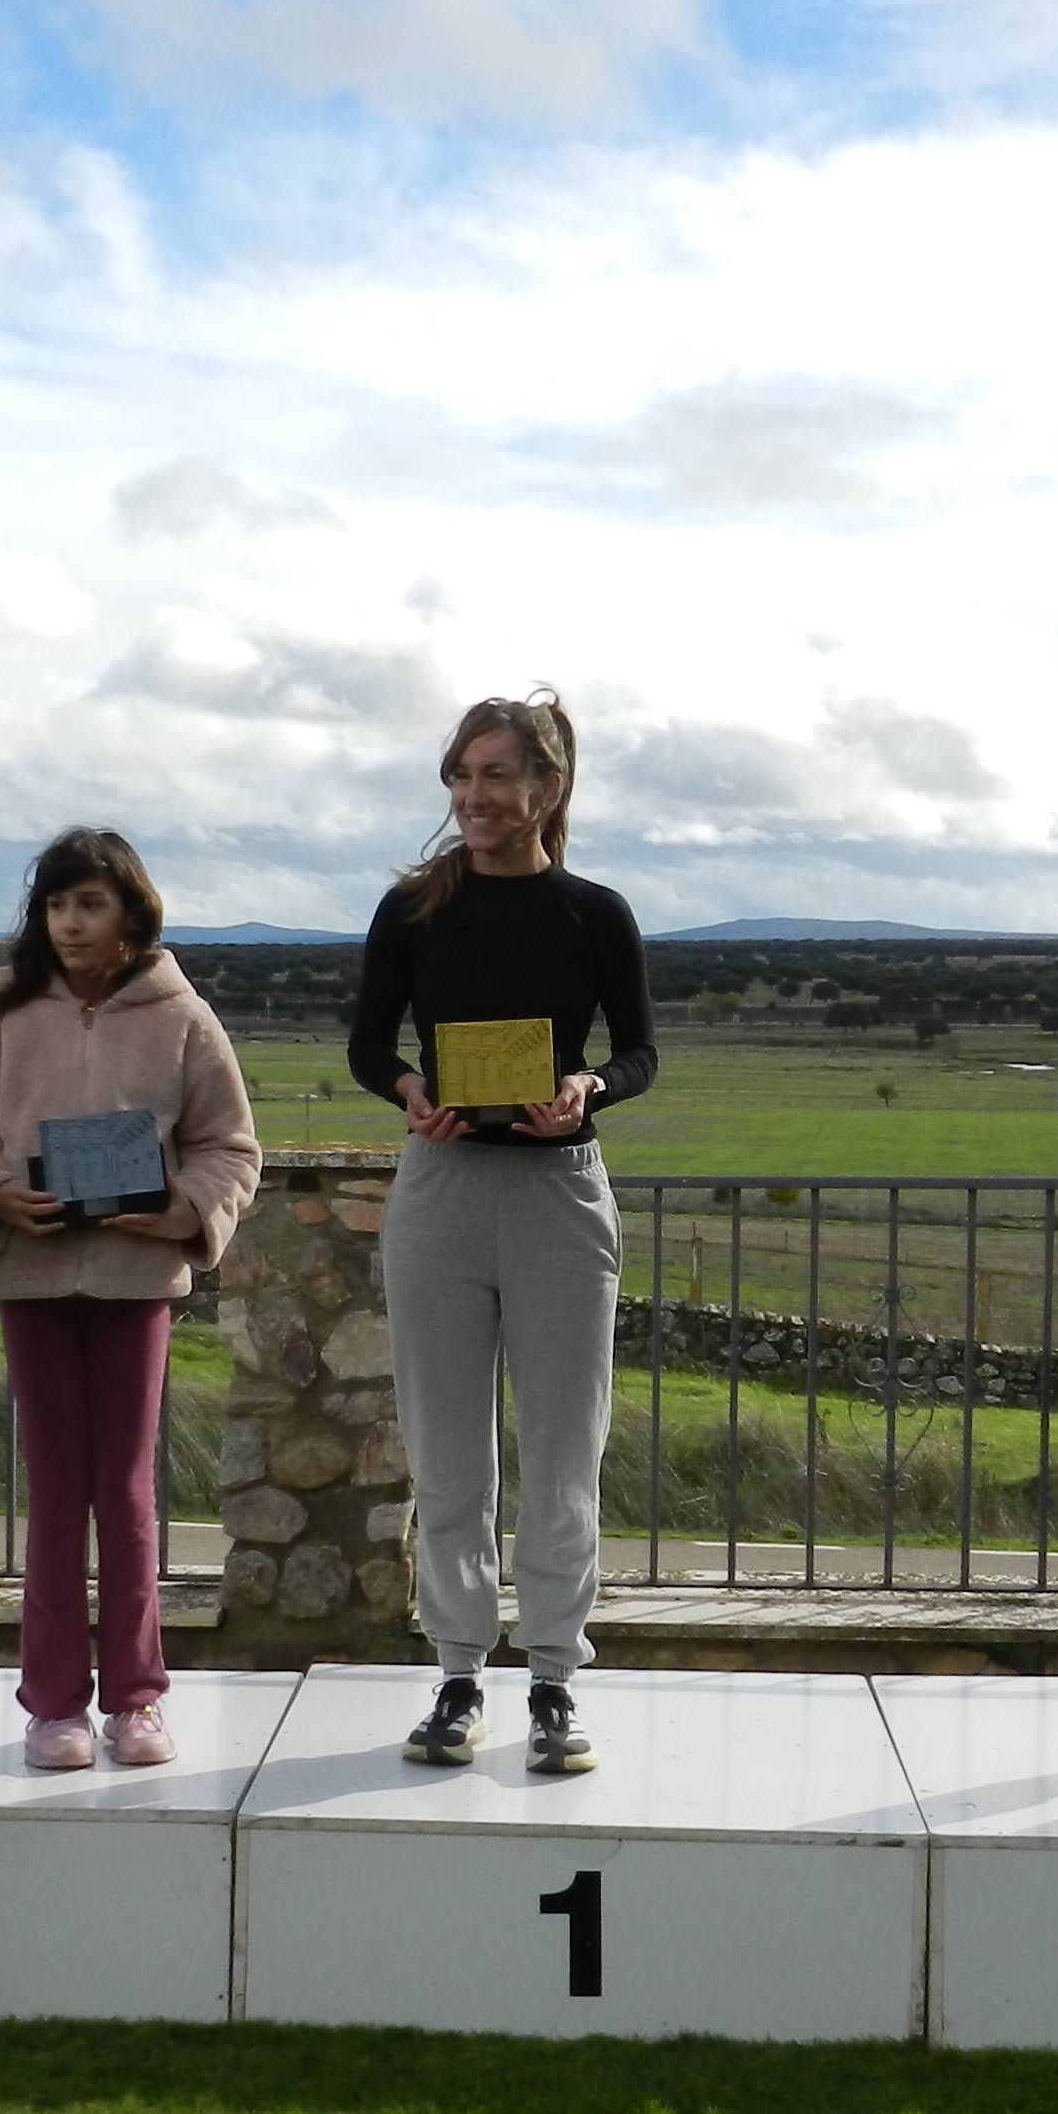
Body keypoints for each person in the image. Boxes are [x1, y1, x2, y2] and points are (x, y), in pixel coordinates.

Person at [346, 693, 655, 1774]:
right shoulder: (414, 911)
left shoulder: (594, 915)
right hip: (440, 1188)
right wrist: (405, 1090)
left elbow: (640, 1056)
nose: (473, 798)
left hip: (558, 1197)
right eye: (459, 776)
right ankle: (457, 1673)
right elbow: (362, 1045)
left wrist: (588, 1088)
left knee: (566, 1451)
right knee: (447, 1450)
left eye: (494, 776)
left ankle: (556, 1681)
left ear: (546, 788)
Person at [0, 830, 261, 1772]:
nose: (71, 922)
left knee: (127, 1491)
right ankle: (54, 1707)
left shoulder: (182, 1018)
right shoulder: (3, 1013)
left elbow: (230, 1145)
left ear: (130, 913)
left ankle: (138, 1701)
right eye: (57, 904)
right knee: (58, 1495)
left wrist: (182, 1211)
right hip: (32, 1279)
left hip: (132, 1283)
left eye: (91, 904)